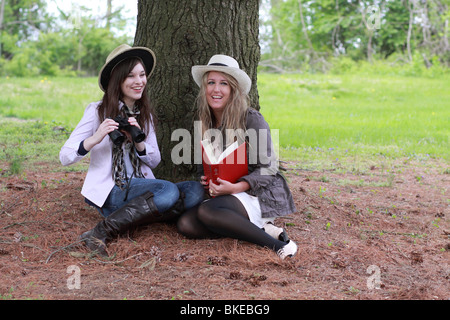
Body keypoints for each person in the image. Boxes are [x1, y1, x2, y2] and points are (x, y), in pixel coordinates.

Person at [60, 44, 204, 257]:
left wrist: (139, 142)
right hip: (112, 189)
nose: (139, 82)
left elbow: (154, 161)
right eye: (130, 76)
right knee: (169, 192)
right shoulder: (96, 111)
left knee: (194, 190)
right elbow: (65, 156)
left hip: (140, 186)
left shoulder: (144, 115)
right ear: (117, 80)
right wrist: (96, 137)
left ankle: (133, 218)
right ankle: (102, 231)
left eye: (142, 75)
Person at [176, 54, 298, 259]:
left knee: (207, 213)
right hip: (227, 195)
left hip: (258, 193)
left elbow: (269, 168)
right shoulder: (204, 122)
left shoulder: (251, 119)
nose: (216, 89)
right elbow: (203, 166)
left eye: (223, 83)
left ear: (233, 89)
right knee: (186, 224)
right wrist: (207, 181)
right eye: (211, 82)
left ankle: (280, 247)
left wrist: (236, 187)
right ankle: (260, 229)